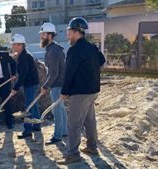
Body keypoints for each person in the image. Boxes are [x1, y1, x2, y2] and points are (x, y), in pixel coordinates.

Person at [57, 17, 106, 165]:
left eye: (69, 32)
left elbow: (69, 73)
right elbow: (102, 61)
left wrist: (64, 92)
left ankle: (73, 155)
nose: (68, 35)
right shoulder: (92, 47)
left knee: (73, 124)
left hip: (80, 92)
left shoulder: (74, 50)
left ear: (76, 32)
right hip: (93, 91)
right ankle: (92, 147)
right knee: (89, 120)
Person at [39, 23, 68, 145]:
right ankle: (64, 131)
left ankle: (57, 136)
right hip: (59, 84)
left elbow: (54, 72)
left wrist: (45, 86)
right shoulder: (54, 48)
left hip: (57, 85)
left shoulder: (53, 51)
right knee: (61, 110)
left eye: (44, 34)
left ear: (50, 35)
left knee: (57, 111)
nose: (41, 37)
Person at [9, 34, 41, 139]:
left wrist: (15, 88)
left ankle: (27, 130)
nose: (12, 46)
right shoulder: (22, 55)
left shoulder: (25, 56)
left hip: (31, 84)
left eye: (14, 44)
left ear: (20, 45)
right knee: (34, 104)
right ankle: (37, 124)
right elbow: (22, 72)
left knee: (29, 107)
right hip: (32, 82)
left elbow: (24, 74)